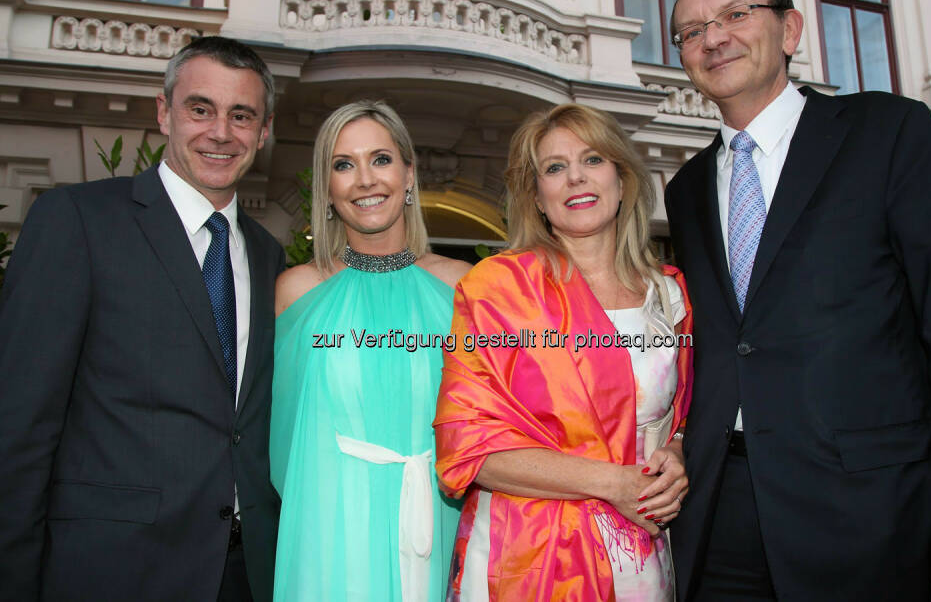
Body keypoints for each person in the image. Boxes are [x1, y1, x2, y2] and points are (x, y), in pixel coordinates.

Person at [664, 0, 931, 601]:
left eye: (735, 15)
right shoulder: (685, 189)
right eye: (690, 31)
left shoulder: (887, 133)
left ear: (791, 30)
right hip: (720, 517)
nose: (712, 37)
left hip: (872, 521)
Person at [0, 35, 284, 601]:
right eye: (200, 108)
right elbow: (19, 427)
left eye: (242, 115)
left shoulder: (270, 254)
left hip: (241, 576)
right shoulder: (78, 220)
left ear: (264, 130)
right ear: (164, 112)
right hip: (109, 572)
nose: (221, 132)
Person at [434, 103, 695, 600]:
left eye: (593, 159)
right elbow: (468, 451)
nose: (576, 178)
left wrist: (676, 453)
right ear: (536, 196)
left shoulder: (670, 294)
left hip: (642, 551)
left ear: (622, 177)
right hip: (525, 555)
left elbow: (681, 415)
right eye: (555, 168)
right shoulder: (497, 290)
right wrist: (615, 484)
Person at [271, 99, 470, 601]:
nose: (365, 179)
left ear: (408, 174)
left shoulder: (464, 287)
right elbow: (282, 447)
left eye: (380, 159)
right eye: (344, 164)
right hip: (329, 541)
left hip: (441, 525)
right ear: (328, 188)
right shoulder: (298, 292)